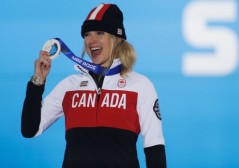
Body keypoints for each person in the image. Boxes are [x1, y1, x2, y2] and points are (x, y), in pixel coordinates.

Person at [21, 3, 166, 168]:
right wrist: (38, 81)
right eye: (87, 34)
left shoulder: (140, 85)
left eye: (100, 33)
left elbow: (154, 146)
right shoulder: (70, 86)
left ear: (116, 38)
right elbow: (30, 129)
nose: (91, 40)